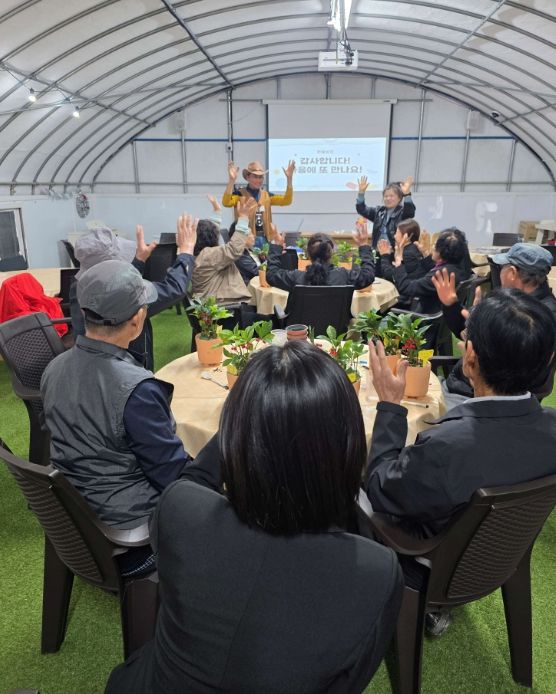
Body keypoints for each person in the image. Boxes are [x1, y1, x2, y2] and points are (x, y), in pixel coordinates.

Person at [106, 342, 403, 694]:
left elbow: (194, 478)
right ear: (347, 445)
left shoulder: (179, 510)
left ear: (236, 433)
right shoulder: (374, 572)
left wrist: (254, 415)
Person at [365, 289, 556, 539]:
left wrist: (390, 405)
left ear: (470, 358)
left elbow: (379, 486)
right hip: (500, 549)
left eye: (465, 340)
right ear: (547, 359)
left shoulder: (445, 447)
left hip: (423, 554)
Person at [41, 260, 192, 574]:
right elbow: (173, 476)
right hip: (129, 535)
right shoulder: (137, 391)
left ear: (85, 312)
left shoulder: (53, 368)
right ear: (137, 320)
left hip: (75, 521)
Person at [433, 242, 556, 400]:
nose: (499, 272)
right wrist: (451, 305)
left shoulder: (538, 317)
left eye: (502, 267)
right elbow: (468, 334)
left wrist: (475, 331)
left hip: (478, 396)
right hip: (465, 386)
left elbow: (504, 371)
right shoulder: (511, 300)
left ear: (512, 272)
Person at [71, 216, 196, 371]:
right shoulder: (123, 294)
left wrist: (139, 260)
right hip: (130, 371)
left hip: (90, 366)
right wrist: (186, 253)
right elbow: (173, 288)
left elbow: (113, 280)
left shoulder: (78, 287)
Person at [266, 221, 375, 291]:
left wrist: (276, 246)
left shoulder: (296, 277)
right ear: (331, 253)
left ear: (308, 254)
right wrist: (364, 245)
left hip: (302, 322)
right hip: (336, 322)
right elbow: (368, 276)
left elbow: (271, 275)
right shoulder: (344, 276)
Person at [388, 227, 471, 314]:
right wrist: (425, 253)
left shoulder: (441, 275)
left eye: (435, 245)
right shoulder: (459, 268)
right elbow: (434, 267)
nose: (432, 247)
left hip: (425, 317)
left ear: (442, 252)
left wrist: (399, 262)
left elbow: (406, 288)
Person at [192, 197, 257, 305]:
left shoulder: (198, 254)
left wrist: (217, 211)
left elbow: (211, 231)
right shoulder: (208, 255)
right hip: (226, 306)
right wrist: (243, 218)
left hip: (215, 302)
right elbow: (233, 249)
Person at [222, 159, 295, 242]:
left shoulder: (267, 195)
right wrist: (231, 181)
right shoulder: (239, 194)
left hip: (264, 239)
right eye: (255, 177)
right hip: (246, 240)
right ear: (248, 177)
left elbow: (287, 201)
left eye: (260, 177)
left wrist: (289, 179)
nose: (258, 180)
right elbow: (226, 203)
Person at [355, 175, 415, 251]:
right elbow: (362, 209)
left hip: (395, 252)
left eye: (391, 196)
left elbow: (410, 212)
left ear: (399, 198)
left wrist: (407, 194)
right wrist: (361, 193)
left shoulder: (402, 212)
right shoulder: (379, 211)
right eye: (386, 196)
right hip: (377, 251)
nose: (388, 198)